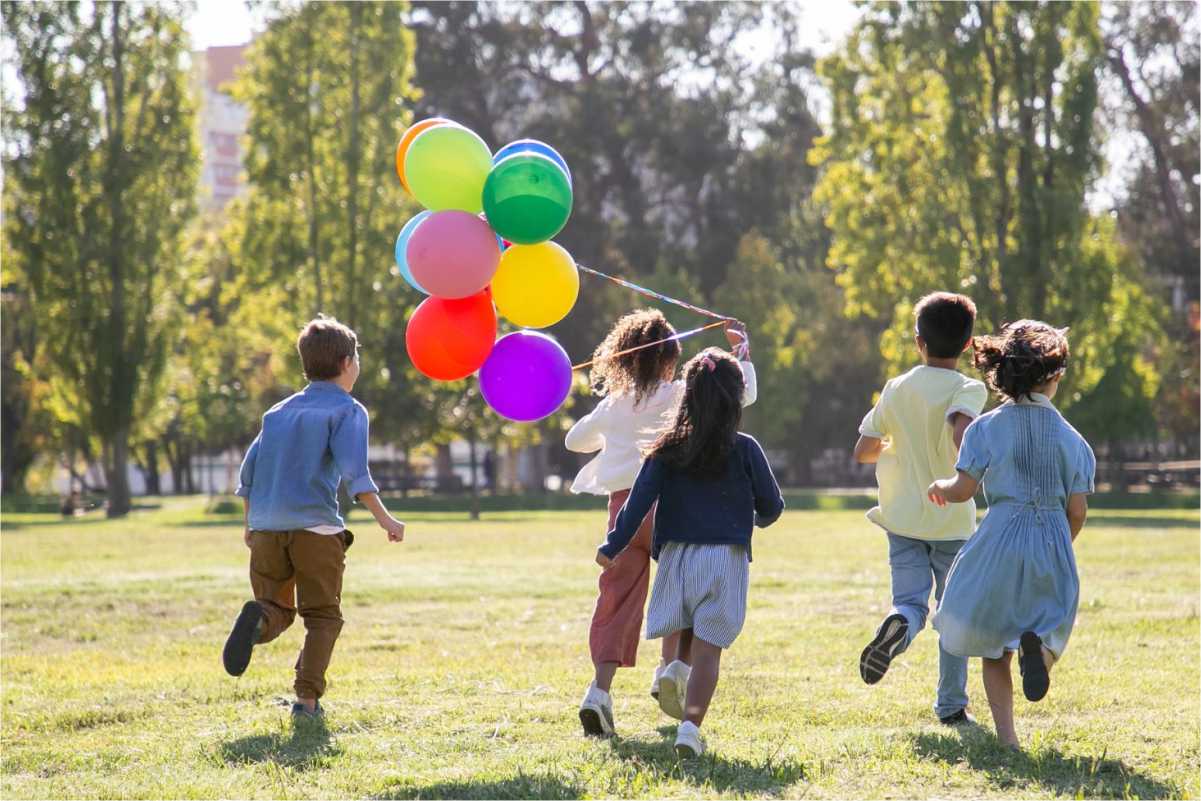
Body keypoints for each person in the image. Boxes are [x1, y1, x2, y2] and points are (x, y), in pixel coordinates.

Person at [567, 309, 757, 738]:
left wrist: (610, 424)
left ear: (623, 360)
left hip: (623, 513)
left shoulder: (614, 405)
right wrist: (741, 351)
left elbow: (573, 441)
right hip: (671, 509)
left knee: (616, 601)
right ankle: (669, 670)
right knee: (685, 592)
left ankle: (599, 692)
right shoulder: (678, 395)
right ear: (671, 360)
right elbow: (739, 396)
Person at [596, 347, 783, 758]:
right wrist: (754, 519)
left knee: (683, 627)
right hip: (725, 559)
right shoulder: (746, 448)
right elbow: (772, 505)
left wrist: (613, 545)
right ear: (736, 399)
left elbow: (637, 504)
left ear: (688, 396)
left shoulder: (666, 448)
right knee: (709, 650)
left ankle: (674, 670)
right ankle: (689, 728)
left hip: (677, 557)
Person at [222, 316, 406, 721]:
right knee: (322, 616)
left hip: (268, 528)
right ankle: (306, 702)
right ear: (346, 363)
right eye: (357, 358)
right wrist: (387, 520)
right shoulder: (348, 410)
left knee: (276, 608)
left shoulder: (277, 412)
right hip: (316, 529)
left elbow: (248, 473)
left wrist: (250, 524)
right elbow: (356, 474)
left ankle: (258, 620)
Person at [929, 321, 1094, 749]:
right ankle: (1038, 655)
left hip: (999, 538)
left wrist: (940, 488)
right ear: (1054, 376)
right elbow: (1077, 510)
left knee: (992, 645)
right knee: (1051, 623)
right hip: (1052, 539)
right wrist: (1060, 542)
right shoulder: (1074, 442)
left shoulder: (984, 428)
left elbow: (963, 489)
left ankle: (1008, 740)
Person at [852, 292, 986, 725]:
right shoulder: (969, 387)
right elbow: (960, 429)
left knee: (910, 601)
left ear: (918, 342)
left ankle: (899, 625)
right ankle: (951, 705)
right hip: (951, 517)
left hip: (902, 517)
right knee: (953, 614)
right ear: (967, 345)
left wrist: (899, 446)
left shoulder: (897, 387)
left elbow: (864, 450)